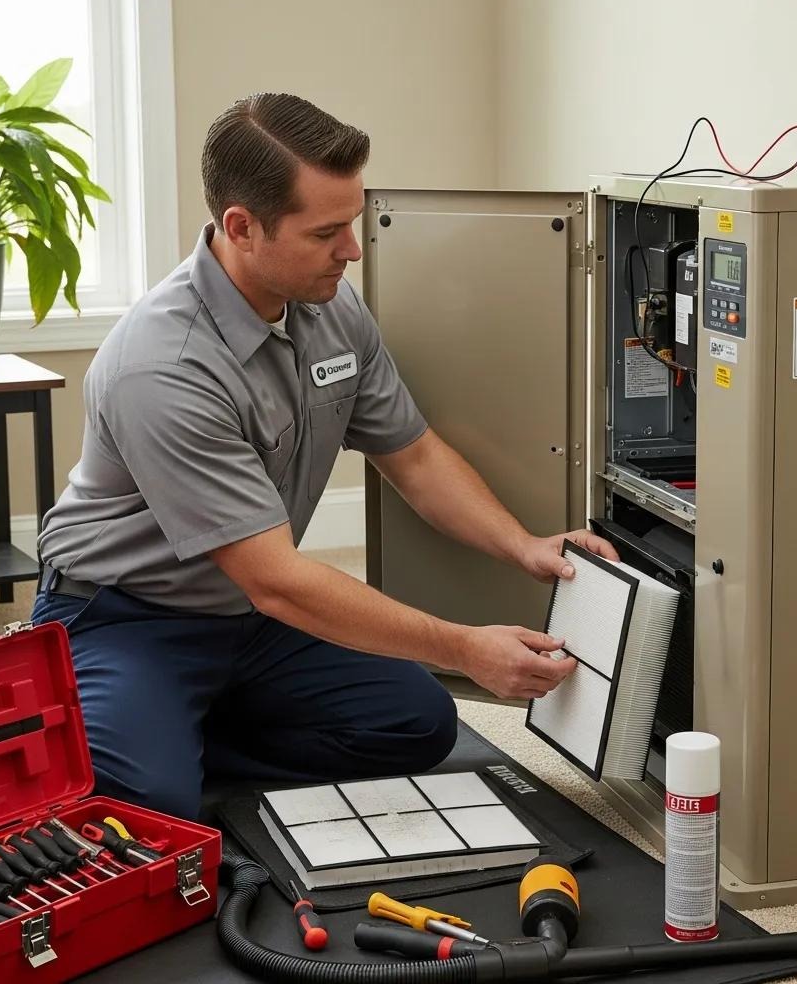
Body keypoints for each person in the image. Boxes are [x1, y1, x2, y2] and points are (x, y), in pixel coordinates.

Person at [32, 93, 619, 822]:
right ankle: (134, 737)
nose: (353, 249)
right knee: (141, 809)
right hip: (127, 614)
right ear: (242, 228)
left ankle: (178, 732)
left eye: (354, 221)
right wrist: (465, 647)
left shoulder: (330, 307)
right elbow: (279, 581)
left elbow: (414, 456)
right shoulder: (164, 367)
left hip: (248, 619)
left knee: (418, 723)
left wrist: (523, 546)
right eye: (328, 232)